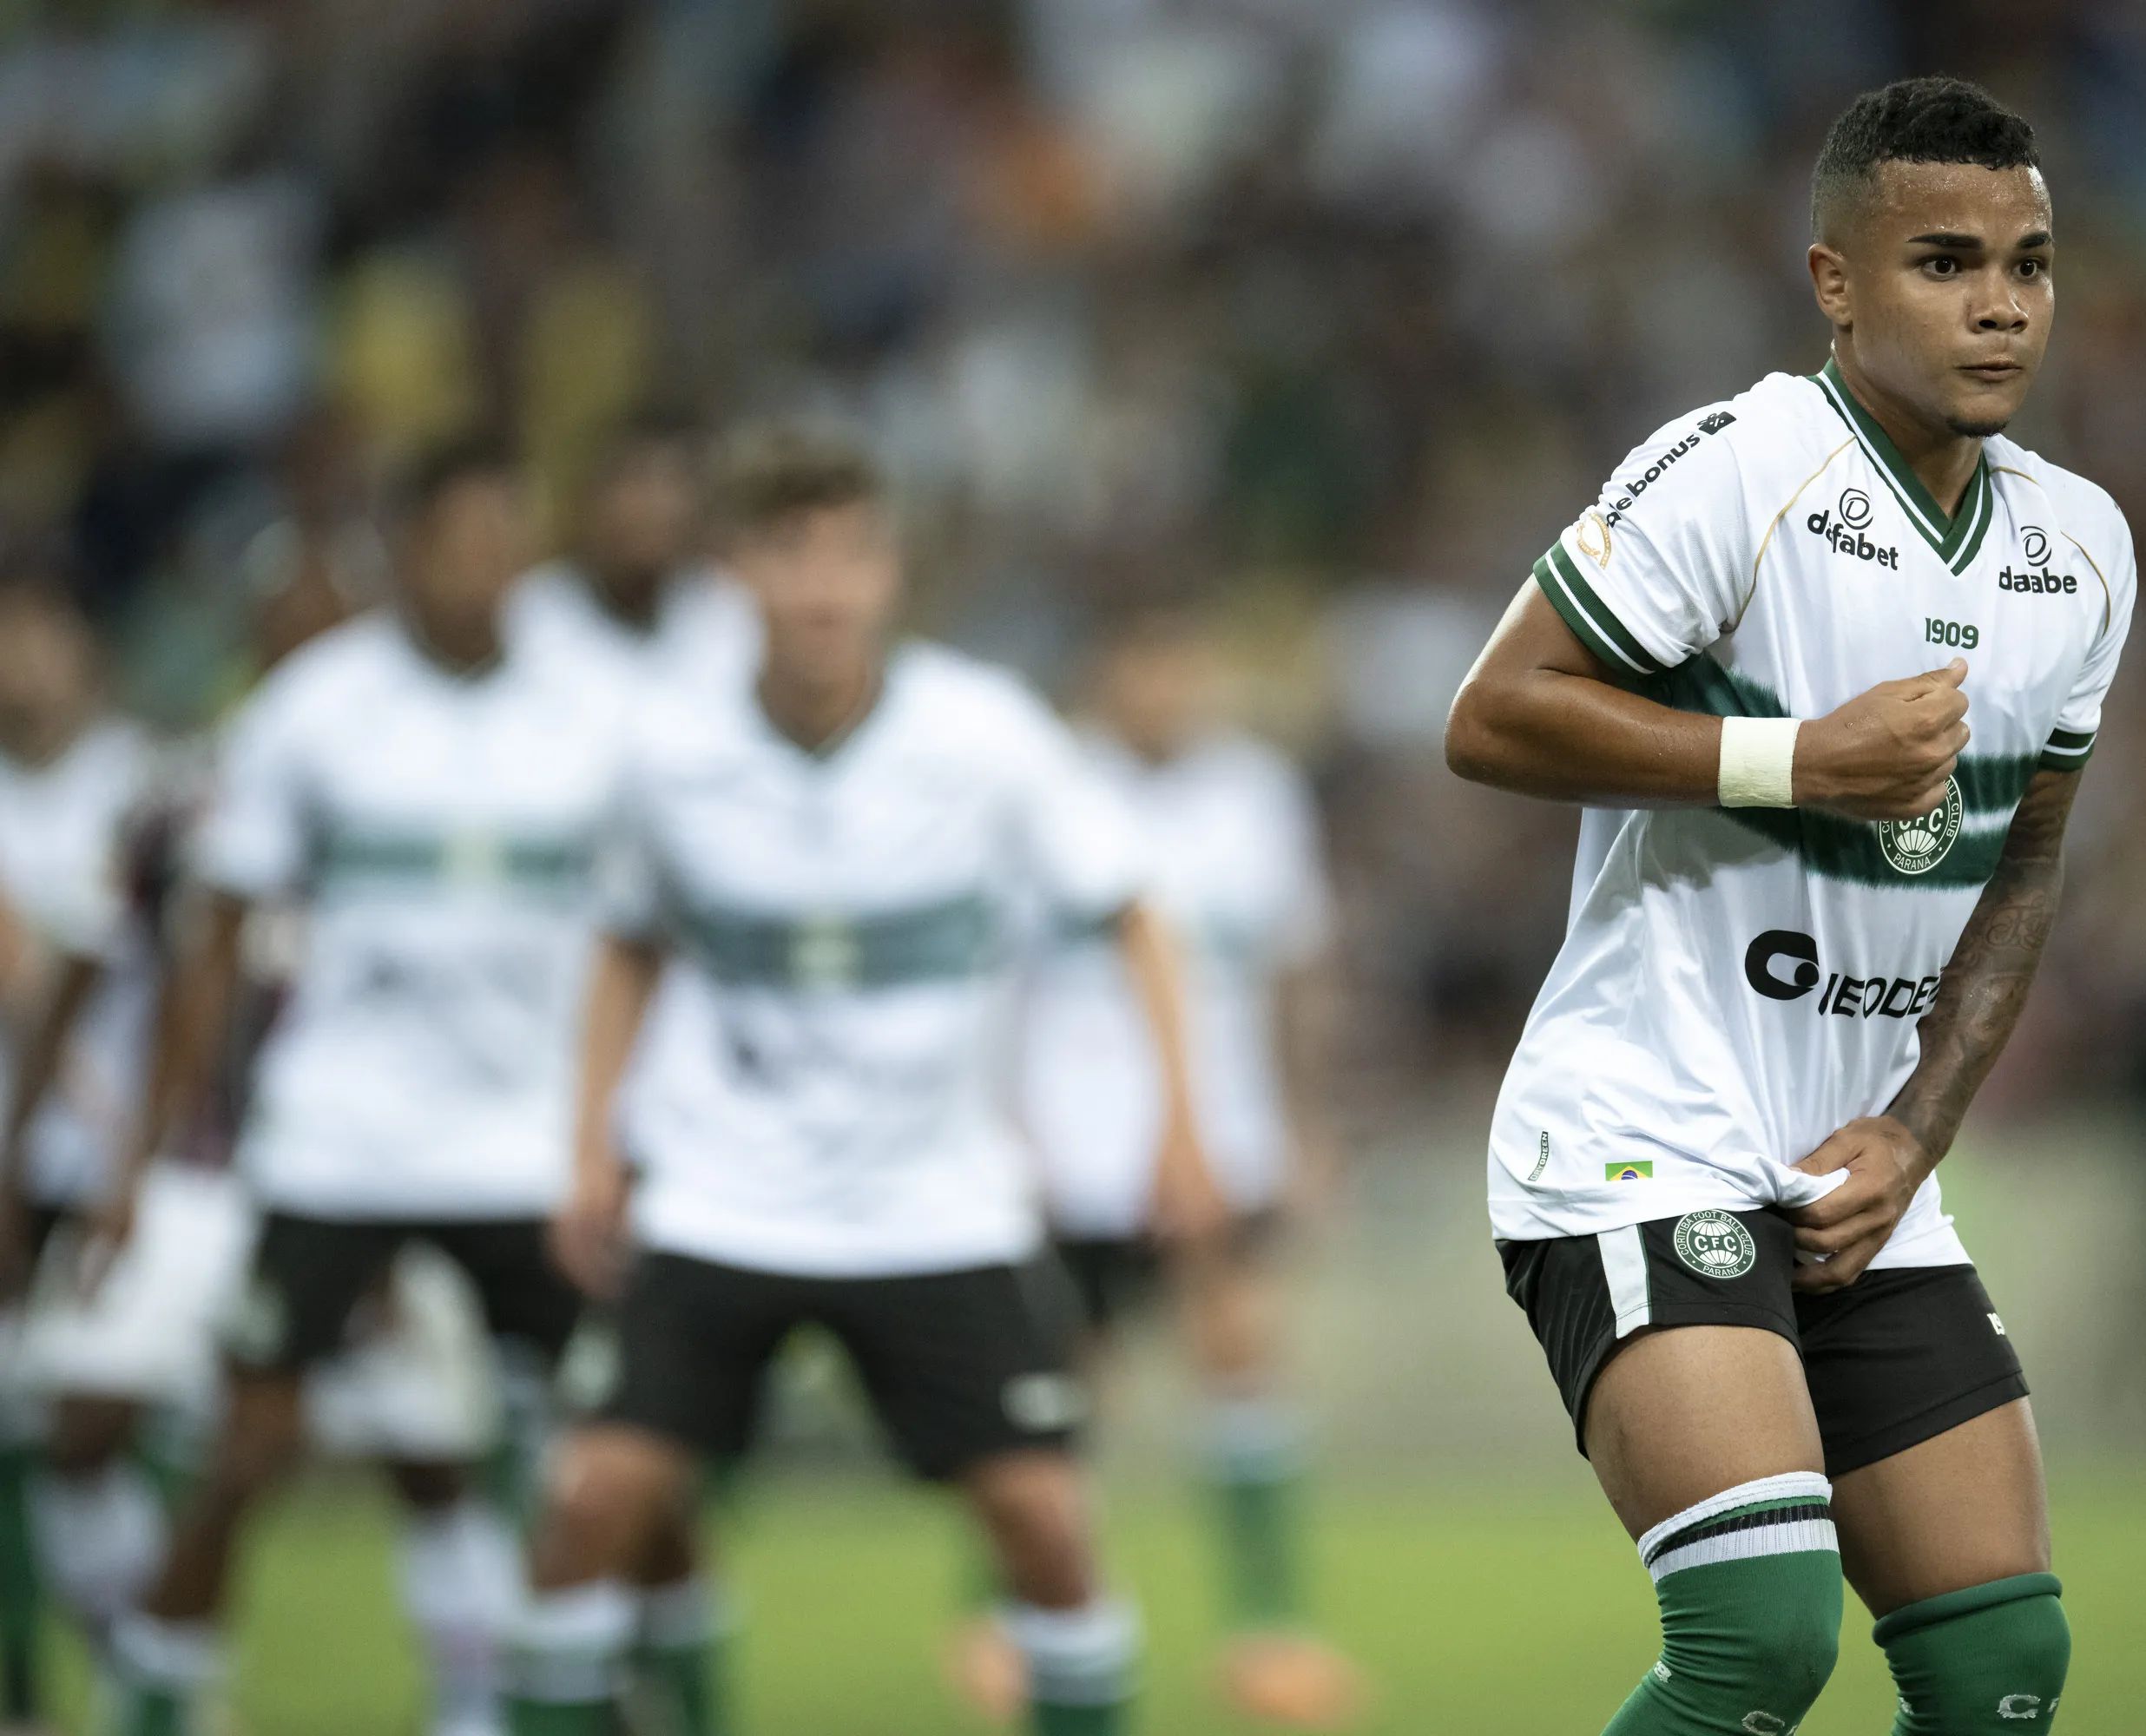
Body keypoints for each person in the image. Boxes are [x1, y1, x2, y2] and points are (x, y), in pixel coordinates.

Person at [1443, 78, 2135, 1735]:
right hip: (1642, 1128)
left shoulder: (2082, 547)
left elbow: (2027, 855)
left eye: (2030, 265)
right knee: (1757, 1637)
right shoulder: (1737, 468)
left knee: (1999, 1676)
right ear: (1836, 281)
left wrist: (1920, 1129)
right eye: (1947, 262)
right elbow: (1491, 718)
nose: (1999, 303)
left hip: (1854, 1165)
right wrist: (1797, 762)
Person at [503, 424, 1215, 1736]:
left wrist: (1181, 1123)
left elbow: (1134, 911)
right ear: (735, 575)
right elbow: (625, 943)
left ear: (891, 572)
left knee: (1046, 1523)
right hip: (726, 1191)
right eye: (789, 554)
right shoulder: (670, 754)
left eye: (848, 554)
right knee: (592, 1502)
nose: (822, 587)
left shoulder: (983, 734)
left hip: (935, 1200)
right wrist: (590, 1147)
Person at [96, 438, 630, 1736]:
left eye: (507, 541)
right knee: (249, 1455)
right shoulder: (316, 709)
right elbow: (217, 939)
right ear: (404, 556)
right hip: (343, 1145)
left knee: (609, 1463)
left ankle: (576, 1704)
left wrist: (620, 1132)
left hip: (524, 1149)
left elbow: (637, 941)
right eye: (459, 543)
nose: (486, 569)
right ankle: (154, 1703)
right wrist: (144, 1158)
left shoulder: (592, 719)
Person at [972, 608, 1361, 1726]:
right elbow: (991, 974)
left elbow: (1294, 966)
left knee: (1242, 1354)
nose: (1169, 685)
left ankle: (1268, 1632)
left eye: (1186, 660)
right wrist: (1001, 1124)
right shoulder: (1049, 787)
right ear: (1107, 672)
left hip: (1225, 1132)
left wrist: (1303, 1118)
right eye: (1145, 661)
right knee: (1060, 1383)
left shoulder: (1255, 792)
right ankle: (1013, 1618)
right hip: (1075, 1134)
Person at [0, 573, 174, 1736]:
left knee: (100, 1425)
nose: (18, 657)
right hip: (16, 1155)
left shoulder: (150, 789)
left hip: (124, 1159)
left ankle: (148, 1669)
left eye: (36, 628)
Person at [505, 415, 754, 692]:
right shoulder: (528, 615)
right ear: (589, 500)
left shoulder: (726, 615)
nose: (648, 507)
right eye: (632, 483)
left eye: (668, 485)